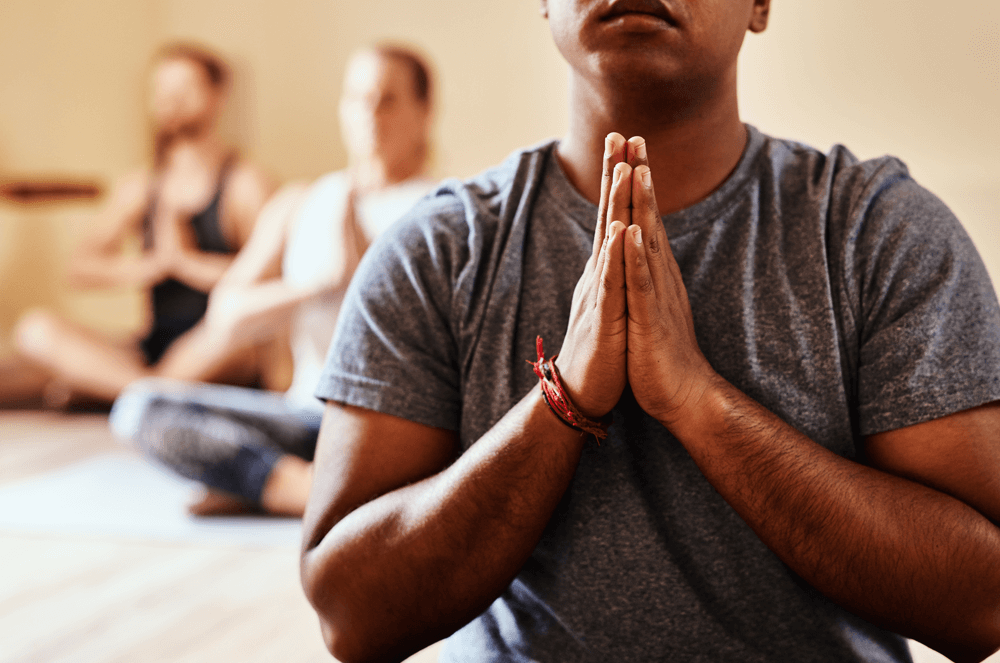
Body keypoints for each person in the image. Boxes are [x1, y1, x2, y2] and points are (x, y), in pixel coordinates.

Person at [298, 2, 1000, 662]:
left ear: (760, 3)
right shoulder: (437, 250)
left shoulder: (878, 232)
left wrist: (699, 402)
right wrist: (562, 401)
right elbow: (350, 614)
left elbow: (981, 604)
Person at [110, 45, 436, 517]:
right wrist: (315, 288)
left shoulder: (445, 208)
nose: (370, 115)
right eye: (357, 99)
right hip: (307, 416)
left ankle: (261, 483)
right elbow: (227, 315)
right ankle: (304, 491)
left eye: (387, 99)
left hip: (391, 427)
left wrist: (365, 282)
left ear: (423, 112)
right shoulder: (302, 201)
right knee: (141, 407)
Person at [6, 42, 276, 407]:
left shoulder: (246, 183)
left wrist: (185, 263)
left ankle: (121, 392)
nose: (171, 101)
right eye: (162, 91)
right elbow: (80, 269)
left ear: (218, 96)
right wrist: (150, 266)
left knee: (241, 343)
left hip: (215, 344)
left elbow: (273, 280)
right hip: (154, 348)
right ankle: (152, 393)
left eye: (185, 89)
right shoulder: (143, 186)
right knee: (35, 331)